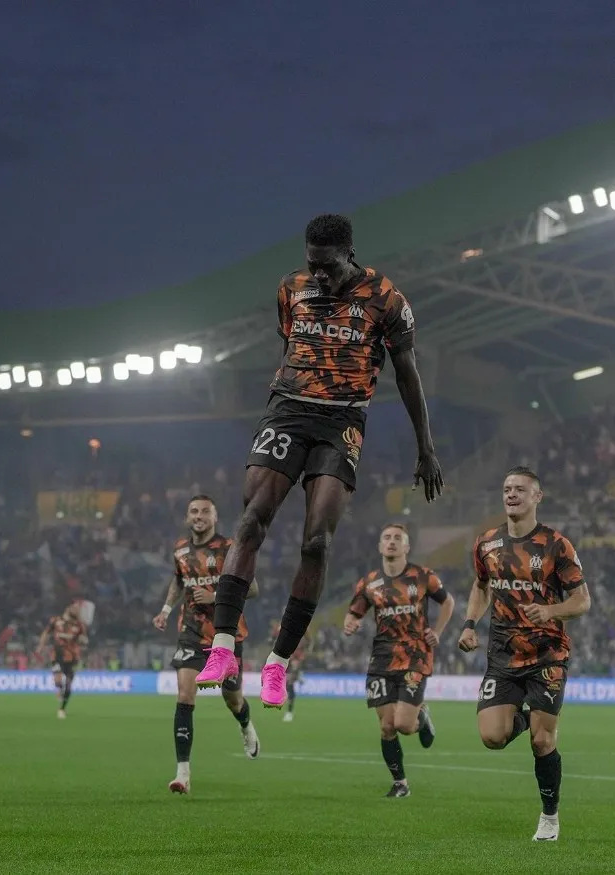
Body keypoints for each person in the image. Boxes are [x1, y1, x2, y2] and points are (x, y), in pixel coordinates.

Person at [196, 214, 443, 707]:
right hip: (288, 411)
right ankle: (222, 648)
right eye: (314, 265)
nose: (321, 275)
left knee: (316, 541)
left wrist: (426, 447)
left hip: (342, 421)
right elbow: (292, 343)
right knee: (251, 520)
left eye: (329, 266)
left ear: (350, 254)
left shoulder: (387, 299)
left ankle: (277, 663)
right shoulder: (292, 288)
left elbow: (407, 373)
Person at [458, 466, 591, 842]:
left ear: (537, 497)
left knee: (542, 742)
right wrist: (469, 624)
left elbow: (582, 601)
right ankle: (537, 716)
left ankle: (549, 817)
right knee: (492, 737)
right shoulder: (486, 543)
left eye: (519, 489)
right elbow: (481, 586)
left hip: (547, 655)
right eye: (506, 489)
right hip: (502, 654)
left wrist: (550, 611)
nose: (511, 494)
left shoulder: (556, 545)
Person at [152, 495, 260, 795]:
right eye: (193, 511)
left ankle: (245, 725)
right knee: (185, 695)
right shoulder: (180, 550)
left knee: (232, 699)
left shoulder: (230, 549)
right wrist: (165, 609)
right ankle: (182, 773)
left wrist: (215, 597)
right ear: (187, 517)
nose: (198, 516)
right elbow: (179, 581)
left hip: (227, 633)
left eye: (204, 511)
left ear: (215, 518)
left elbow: (252, 588)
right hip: (191, 631)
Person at [344, 523, 454, 797]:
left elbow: (448, 602)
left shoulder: (422, 576)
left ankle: (421, 716)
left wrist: (437, 632)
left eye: (397, 538)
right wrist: (350, 622)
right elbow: (354, 613)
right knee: (386, 727)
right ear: (380, 546)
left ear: (407, 547)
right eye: (386, 538)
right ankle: (400, 783)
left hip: (415, 655)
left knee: (404, 725)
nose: (391, 541)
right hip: (382, 659)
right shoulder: (369, 582)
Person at [38, 601, 88, 720]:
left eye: (78, 609)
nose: (77, 611)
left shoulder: (79, 625)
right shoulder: (56, 620)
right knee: (58, 681)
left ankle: (62, 709)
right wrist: (41, 645)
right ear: (68, 608)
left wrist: (82, 640)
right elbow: (46, 632)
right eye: (75, 608)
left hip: (72, 657)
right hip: (58, 655)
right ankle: (60, 690)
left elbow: (84, 640)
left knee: (68, 686)